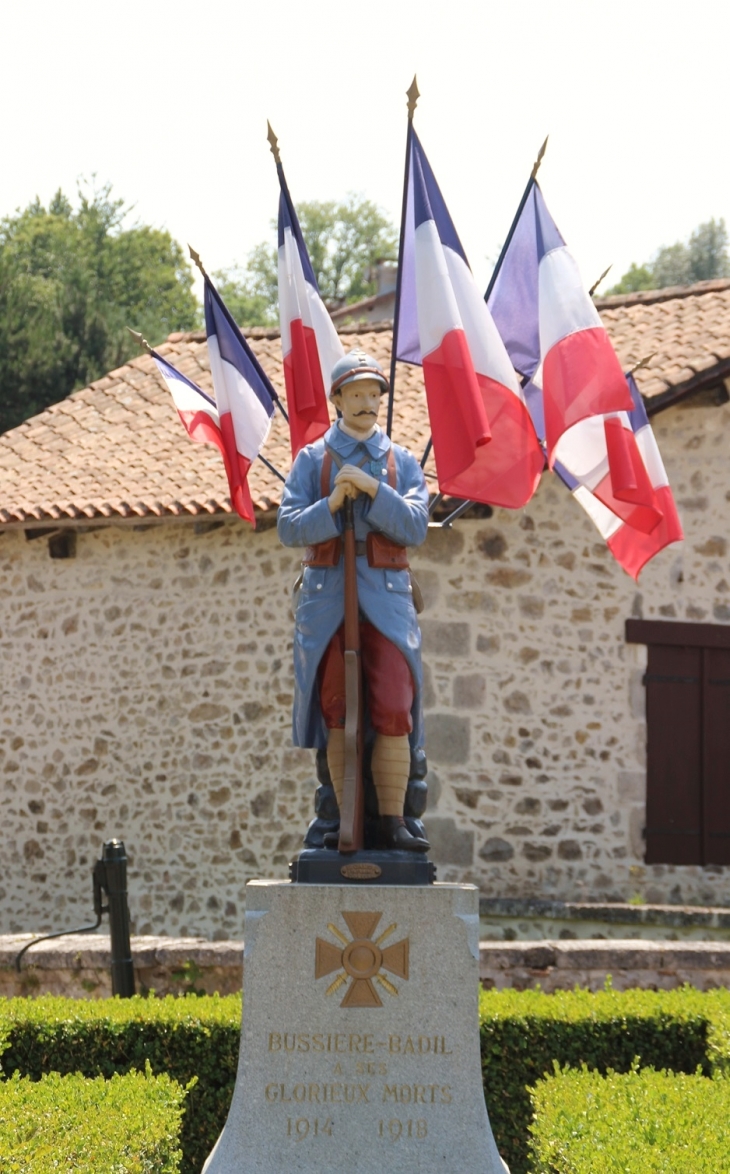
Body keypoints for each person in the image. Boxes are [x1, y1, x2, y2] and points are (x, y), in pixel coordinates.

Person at [278, 349, 430, 852]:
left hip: (385, 598)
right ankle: (339, 820)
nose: (367, 403)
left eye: (374, 394)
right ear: (337, 399)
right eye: (357, 393)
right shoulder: (312, 460)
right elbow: (288, 527)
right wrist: (333, 504)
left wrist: (371, 490)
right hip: (327, 599)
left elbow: (414, 525)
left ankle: (395, 822)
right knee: (337, 707)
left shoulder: (400, 461)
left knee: (393, 702)